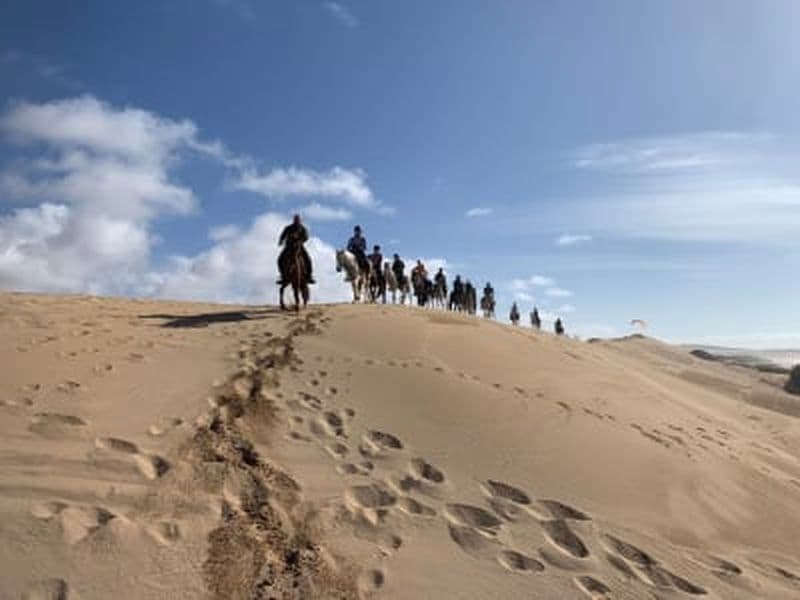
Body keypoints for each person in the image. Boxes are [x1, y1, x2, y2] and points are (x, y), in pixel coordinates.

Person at [278, 214, 315, 284]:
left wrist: (300, 240)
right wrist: (281, 240)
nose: (296, 221)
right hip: (288, 246)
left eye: (298, 219)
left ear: (300, 220)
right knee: (280, 259)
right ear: (293, 220)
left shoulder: (302, 228)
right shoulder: (288, 228)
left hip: (299, 246)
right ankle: (283, 276)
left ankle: (309, 276)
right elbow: (283, 235)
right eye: (295, 219)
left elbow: (306, 237)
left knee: (308, 259)